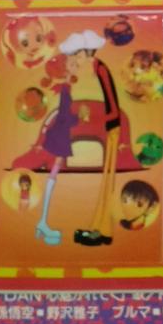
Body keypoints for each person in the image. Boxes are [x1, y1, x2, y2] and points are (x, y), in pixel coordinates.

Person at [60, 30, 123, 248]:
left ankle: (103, 230)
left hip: (112, 127)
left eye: (76, 56)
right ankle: (99, 228)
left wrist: (98, 120)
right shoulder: (96, 69)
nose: (75, 61)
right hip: (110, 126)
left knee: (108, 182)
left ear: (85, 53)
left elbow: (110, 104)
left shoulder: (99, 69)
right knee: (106, 181)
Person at [34, 53, 78, 246]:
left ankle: (42, 222)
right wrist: (77, 119)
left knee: (56, 169)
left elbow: (64, 114)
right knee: (55, 168)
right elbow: (64, 115)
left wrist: (75, 119)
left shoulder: (66, 90)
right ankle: (42, 221)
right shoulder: (65, 90)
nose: (76, 66)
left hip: (61, 133)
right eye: (72, 64)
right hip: (60, 135)